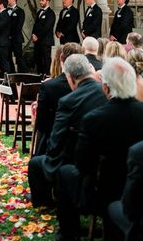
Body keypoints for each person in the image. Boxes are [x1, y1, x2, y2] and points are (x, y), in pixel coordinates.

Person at [55, 57, 143, 241]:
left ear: (105, 88)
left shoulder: (94, 119)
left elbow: (83, 166)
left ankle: (68, 234)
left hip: (101, 192)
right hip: (140, 189)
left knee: (65, 172)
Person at [28, 53, 107, 209]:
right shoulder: (106, 92)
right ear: (90, 70)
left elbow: (56, 140)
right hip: (104, 156)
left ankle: (45, 202)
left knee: (35, 163)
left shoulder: (68, 101)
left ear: (70, 78)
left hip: (75, 158)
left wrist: (51, 153)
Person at [33, 42, 83, 157]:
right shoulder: (91, 86)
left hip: (53, 141)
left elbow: (41, 123)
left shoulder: (48, 87)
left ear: (61, 58)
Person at [31, 0, 56, 76]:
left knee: (46, 58)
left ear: (48, 1)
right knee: (38, 58)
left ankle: (46, 74)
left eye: (42, 0)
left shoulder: (51, 13)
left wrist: (37, 36)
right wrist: (33, 34)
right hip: (37, 40)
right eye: (40, 0)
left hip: (46, 40)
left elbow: (47, 27)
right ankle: (39, 74)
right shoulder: (39, 12)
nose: (40, 2)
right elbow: (35, 25)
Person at [6, 0, 26, 73]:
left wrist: (11, 35)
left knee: (19, 57)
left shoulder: (20, 11)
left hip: (16, 38)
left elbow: (19, 26)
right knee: (8, 57)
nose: (7, 0)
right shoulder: (6, 11)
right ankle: (12, 74)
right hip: (7, 39)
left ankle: (23, 74)